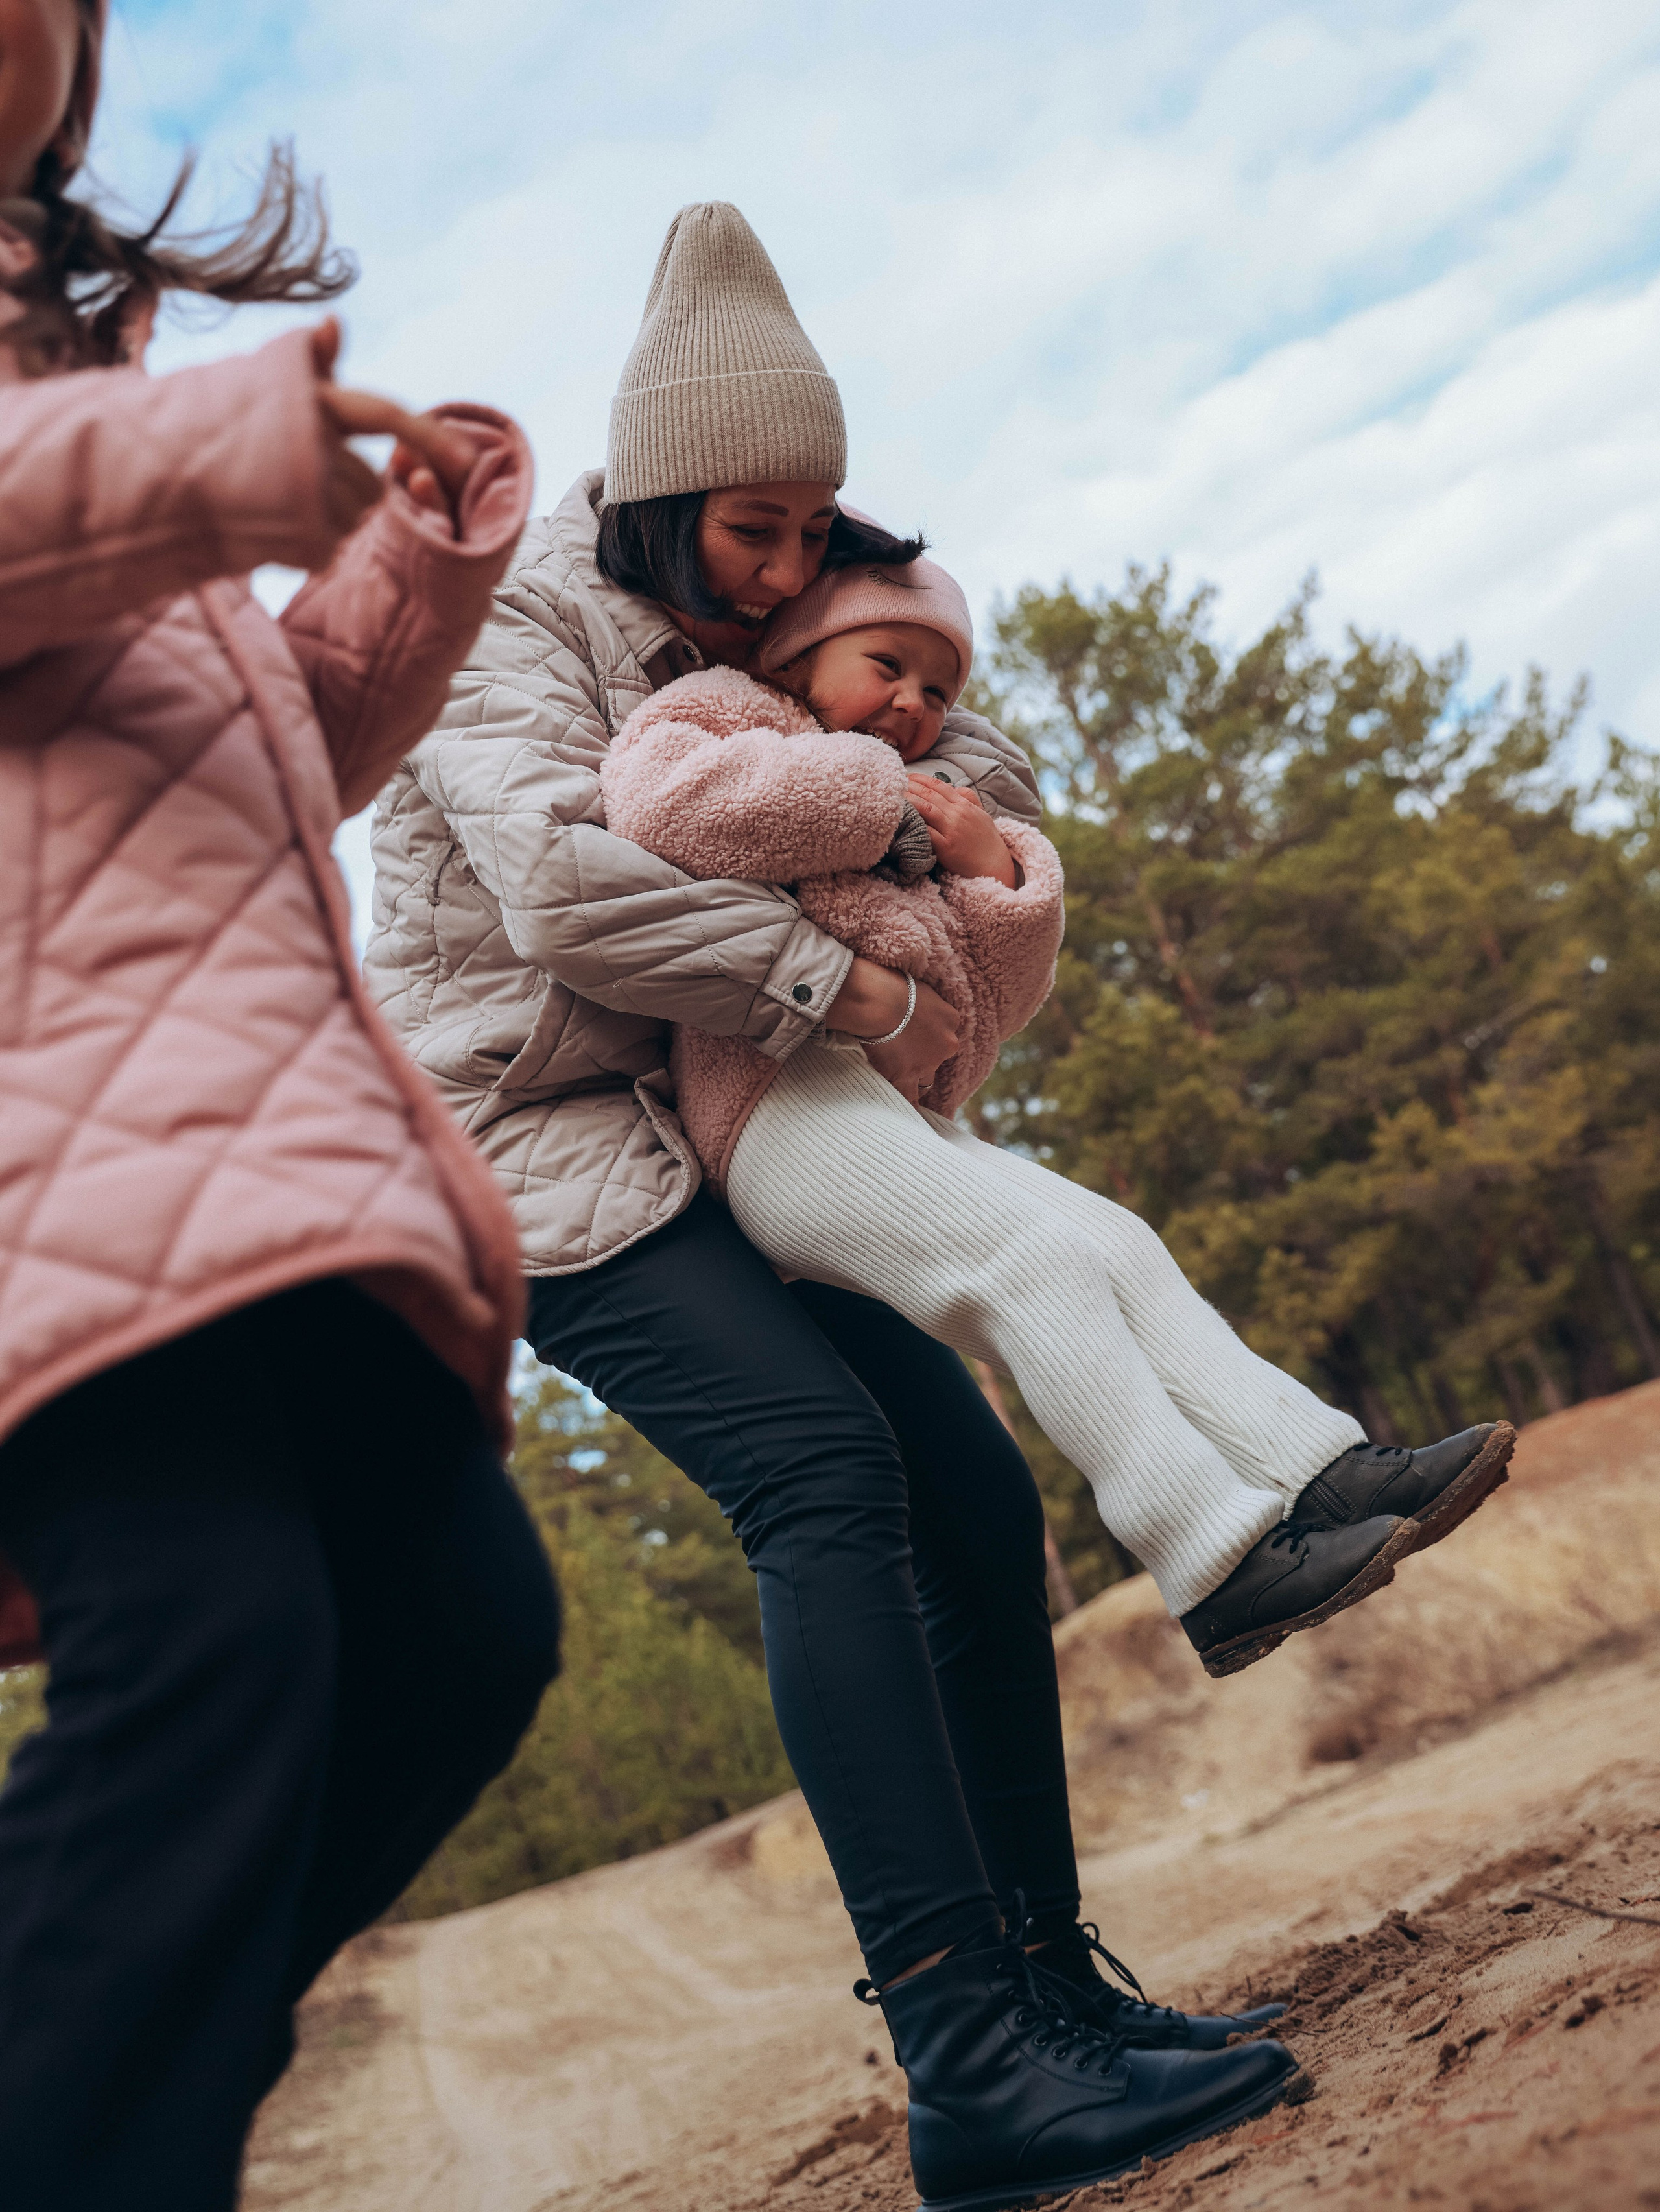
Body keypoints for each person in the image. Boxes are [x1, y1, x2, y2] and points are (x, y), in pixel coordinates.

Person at [369, 197, 1305, 2208]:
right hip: (529, 1147)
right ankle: (969, 2060)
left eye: (816, 532)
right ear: (658, 492)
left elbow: (979, 746)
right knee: (824, 1477)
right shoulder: (507, 624)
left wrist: (932, 779)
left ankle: (1057, 1999)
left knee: (965, 1491)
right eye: (751, 534)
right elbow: (561, 893)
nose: (789, 572)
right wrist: (851, 971)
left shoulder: (770, 618)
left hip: (726, 1122)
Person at [0, 6, 559, 2206]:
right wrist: (224, 452)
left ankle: (106, 2107)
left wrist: (406, 561)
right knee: (212, 1646)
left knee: (454, 1632)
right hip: (52, 1154)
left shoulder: (76, 356)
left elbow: (252, 754)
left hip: (249, 1128)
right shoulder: (111, 422)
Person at [601, 556, 1518, 1680]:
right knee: (1036, 1268)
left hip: (890, 1111)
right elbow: (659, 806)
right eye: (885, 665)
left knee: (1117, 1243)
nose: (912, 704)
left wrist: (996, 875)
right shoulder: (722, 717)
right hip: (775, 1106)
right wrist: (873, 792)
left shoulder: (933, 804)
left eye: (938, 691)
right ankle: (1210, 1558)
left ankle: (1312, 1468)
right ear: (794, 658)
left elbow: (991, 1011)